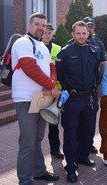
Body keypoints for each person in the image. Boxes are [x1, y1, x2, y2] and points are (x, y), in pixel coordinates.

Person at [11, 12, 60, 184]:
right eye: (37, 24)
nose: (41, 28)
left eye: (43, 25)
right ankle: (24, 180)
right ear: (30, 25)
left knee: (37, 139)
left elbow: (51, 68)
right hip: (25, 99)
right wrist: (51, 86)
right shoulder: (23, 42)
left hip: (41, 98)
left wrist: (50, 83)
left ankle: (39, 171)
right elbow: (29, 68)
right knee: (27, 143)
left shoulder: (42, 46)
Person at [55, 20, 102, 183]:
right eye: (78, 33)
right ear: (73, 34)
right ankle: (71, 167)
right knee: (71, 133)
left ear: (88, 33)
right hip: (73, 99)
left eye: (84, 33)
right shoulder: (65, 53)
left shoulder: (94, 51)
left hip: (90, 98)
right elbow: (59, 75)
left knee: (88, 130)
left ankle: (82, 157)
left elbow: (97, 73)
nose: (81, 36)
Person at [83, 16, 107, 154]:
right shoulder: (73, 43)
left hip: (93, 88)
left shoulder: (98, 43)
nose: (89, 29)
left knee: (91, 118)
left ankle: (89, 143)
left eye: (91, 26)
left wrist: (106, 81)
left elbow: (103, 63)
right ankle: (79, 144)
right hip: (79, 89)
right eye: (87, 26)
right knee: (79, 119)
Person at [42, 23, 64, 159]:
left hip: (55, 92)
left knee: (53, 123)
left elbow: (61, 70)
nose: (47, 35)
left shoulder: (58, 48)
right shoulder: (34, 47)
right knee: (36, 126)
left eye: (49, 32)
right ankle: (36, 153)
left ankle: (55, 149)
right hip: (39, 92)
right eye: (45, 32)